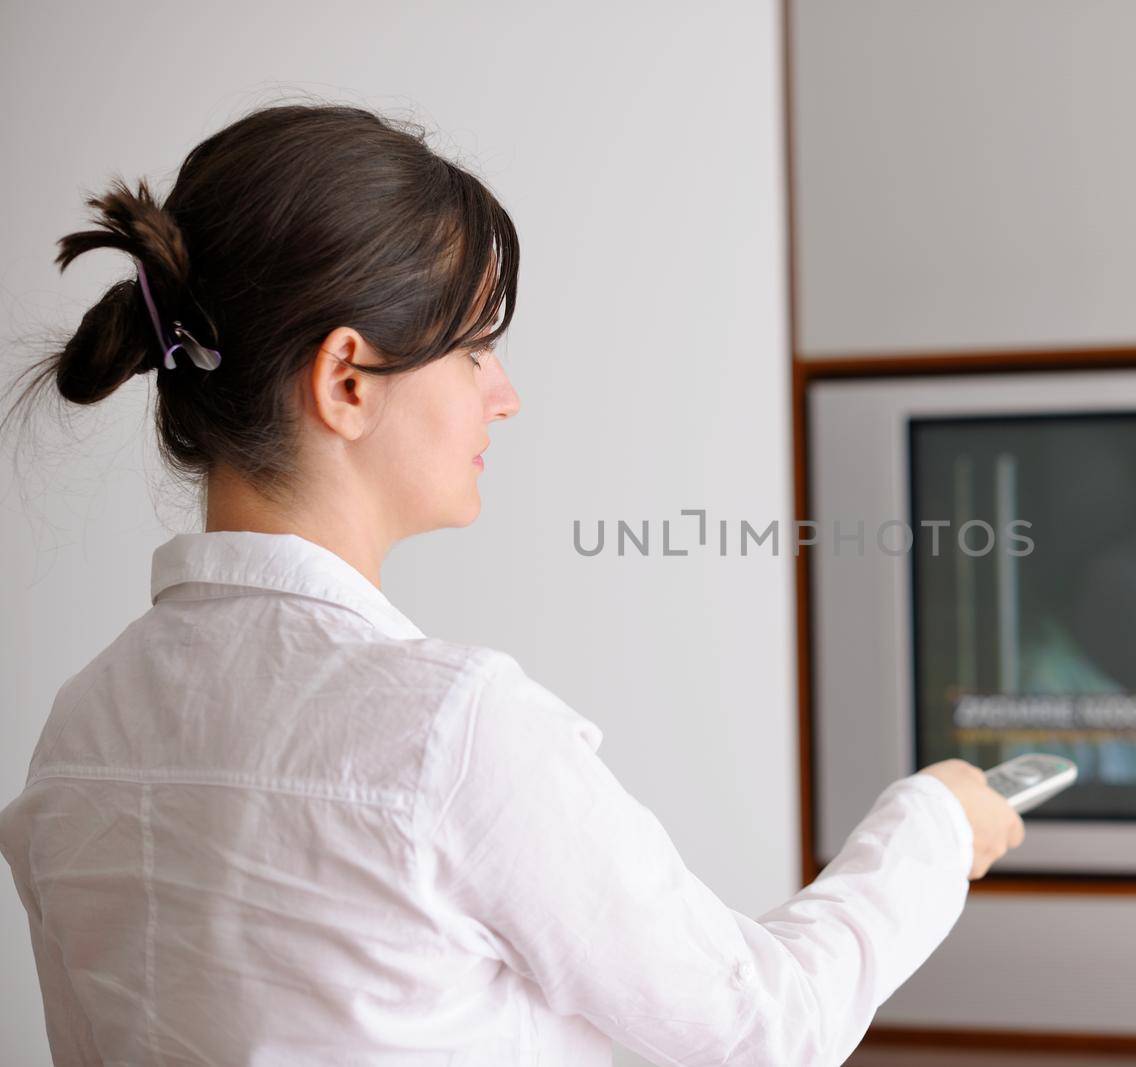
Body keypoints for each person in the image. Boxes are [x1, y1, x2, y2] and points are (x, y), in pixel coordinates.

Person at [0, 102, 1024, 1066]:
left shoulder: (76, 735)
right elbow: (761, 1024)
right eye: (476, 347)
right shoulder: (448, 730)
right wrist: (932, 823)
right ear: (346, 380)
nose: (505, 395)